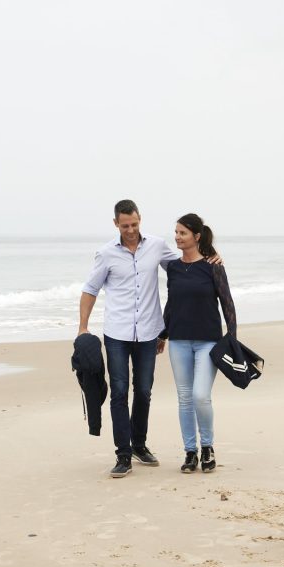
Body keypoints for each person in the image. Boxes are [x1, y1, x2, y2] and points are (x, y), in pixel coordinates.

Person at [79, 201, 221, 478]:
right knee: (120, 392)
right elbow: (89, 290)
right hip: (117, 333)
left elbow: (185, 266)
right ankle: (123, 454)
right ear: (115, 224)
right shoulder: (106, 254)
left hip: (148, 333)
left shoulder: (156, 246)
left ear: (139, 219)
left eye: (134, 224)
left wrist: (213, 256)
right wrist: (82, 327)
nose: (131, 230)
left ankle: (139, 445)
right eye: (125, 226)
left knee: (143, 391)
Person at [158, 213, 236, 474]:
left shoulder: (214, 266)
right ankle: (190, 452)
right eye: (176, 232)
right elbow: (172, 304)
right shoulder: (174, 268)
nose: (177, 237)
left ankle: (208, 447)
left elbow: (227, 303)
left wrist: (232, 338)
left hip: (208, 342)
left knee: (200, 396)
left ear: (197, 236)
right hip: (179, 340)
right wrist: (163, 334)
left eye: (182, 233)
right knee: (184, 398)